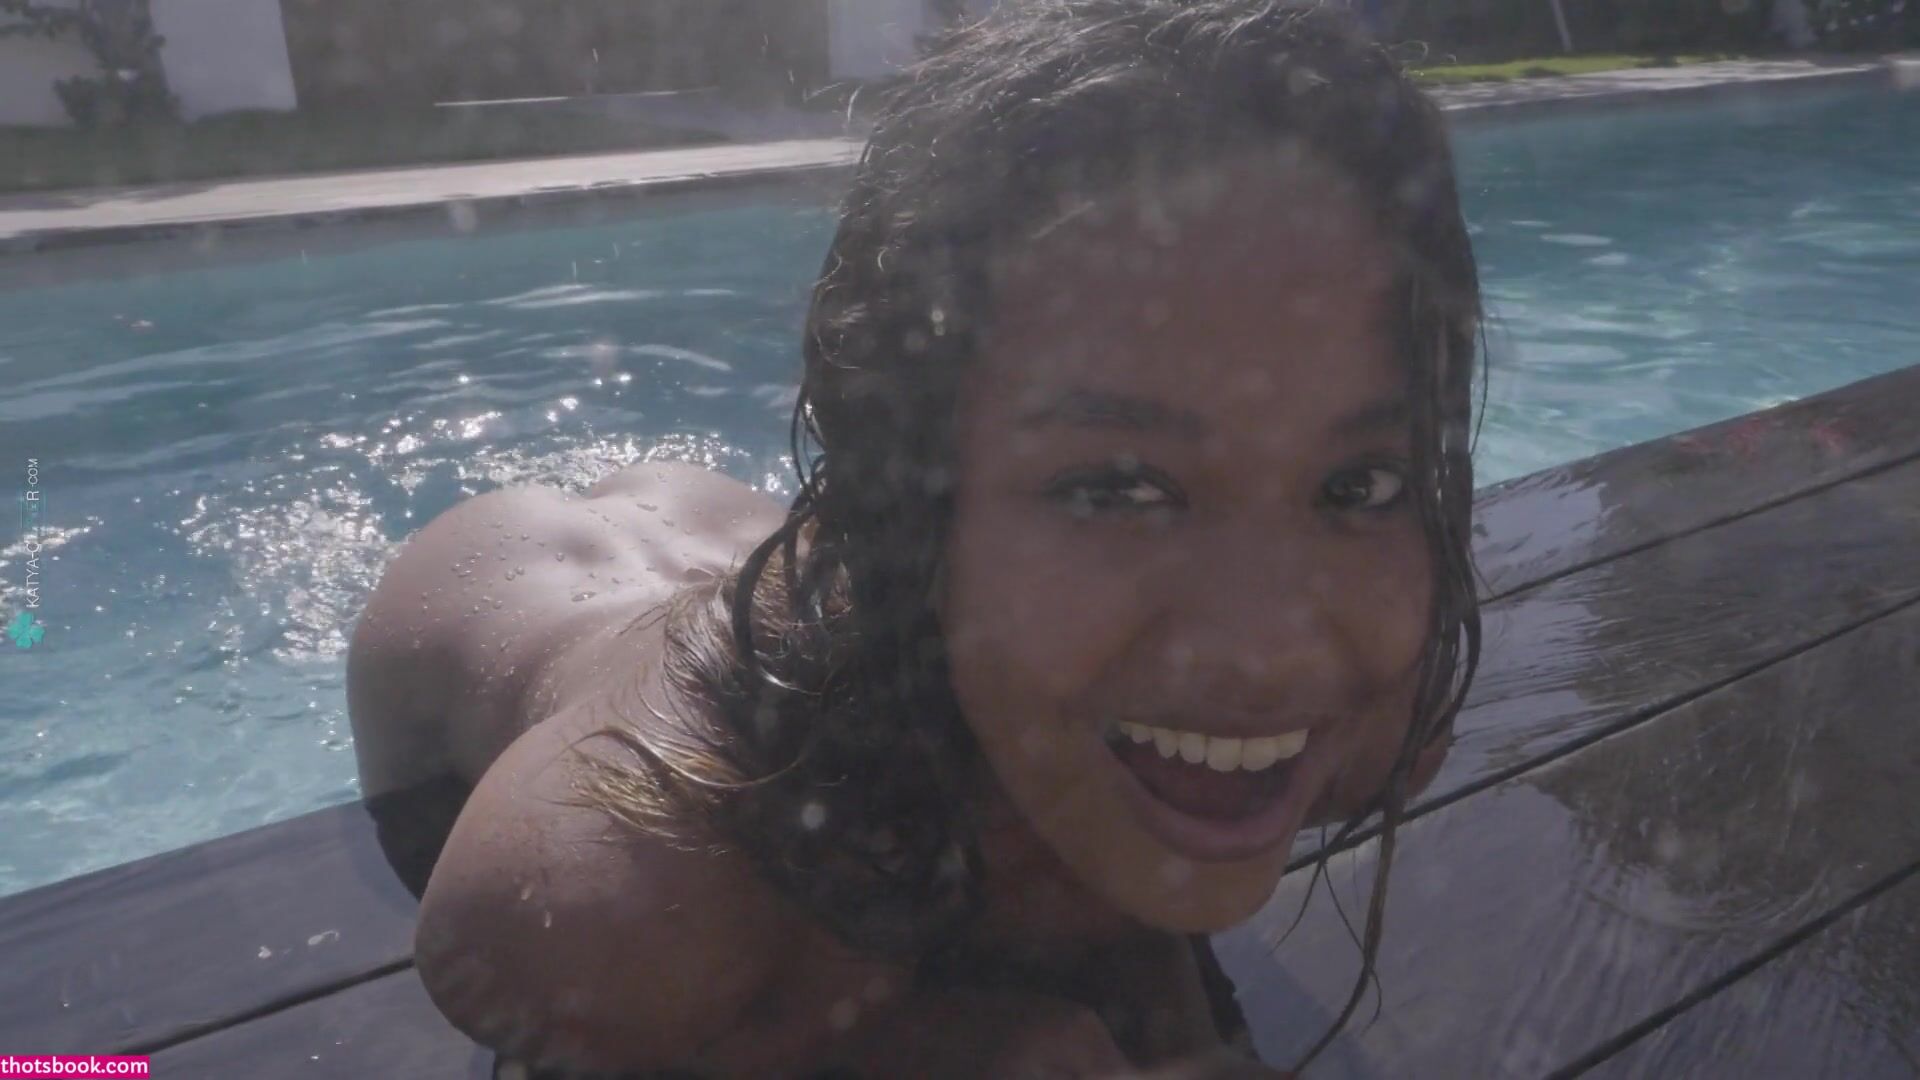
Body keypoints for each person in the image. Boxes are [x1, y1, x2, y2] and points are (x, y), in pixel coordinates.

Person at [346, 1, 1484, 1075]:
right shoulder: (619, 899)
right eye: (1117, 489)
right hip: (496, 594)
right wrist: (907, 1042)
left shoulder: (1366, 718)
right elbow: (522, 948)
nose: (1271, 653)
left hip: (769, 555)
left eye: (1359, 484)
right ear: (905, 505)